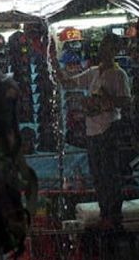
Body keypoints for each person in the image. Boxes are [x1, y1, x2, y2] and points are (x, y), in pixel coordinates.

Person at [54, 33, 132, 230]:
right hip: (93, 132)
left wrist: (105, 102)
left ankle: (113, 216)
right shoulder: (94, 72)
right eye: (102, 47)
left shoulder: (118, 74)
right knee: (98, 174)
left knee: (109, 175)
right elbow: (69, 83)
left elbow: (126, 102)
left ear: (114, 51)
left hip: (108, 129)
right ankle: (106, 213)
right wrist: (54, 66)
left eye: (108, 47)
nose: (103, 51)